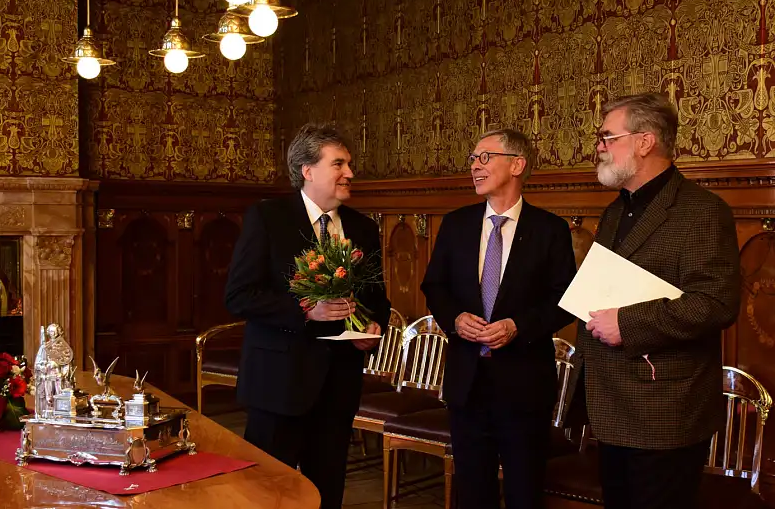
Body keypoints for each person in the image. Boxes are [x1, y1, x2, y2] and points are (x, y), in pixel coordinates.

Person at [579, 93, 740, 509]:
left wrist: (628, 324)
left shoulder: (702, 210)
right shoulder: (616, 211)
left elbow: (716, 302)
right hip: (611, 404)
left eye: (607, 137)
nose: (599, 146)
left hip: (665, 411)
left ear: (645, 141)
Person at [225, 123, 391, 509]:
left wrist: (372, 326)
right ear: (307, 170)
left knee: (327, 488)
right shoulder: (268, 218)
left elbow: (376, 297)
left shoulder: (364, 228)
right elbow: (239, 296)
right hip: (278, 382)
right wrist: (306, 310)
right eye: (339, 164)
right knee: (268, 493)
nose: (350, 172)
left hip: (339, 382)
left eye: (349, 163)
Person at [421, 128, 576, 509]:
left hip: (523, 385)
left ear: (517, 164)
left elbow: (564, 300)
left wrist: (518, 326)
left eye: (484, 157)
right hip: (467, 382)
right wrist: (455, 318)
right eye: (472, 158)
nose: (474, 166)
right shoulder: (456, 224)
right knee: (473, 491)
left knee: (524, 491)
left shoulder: (549, 230)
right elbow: (434, 286)